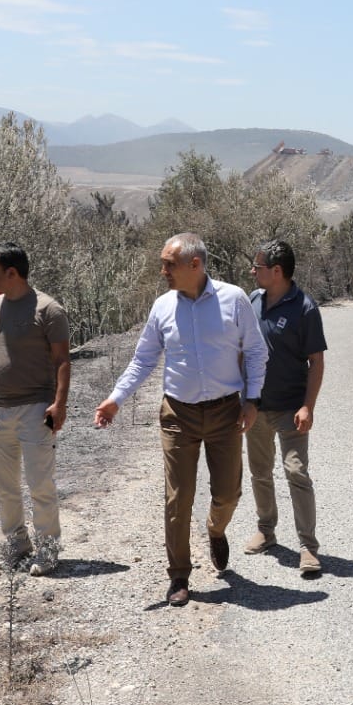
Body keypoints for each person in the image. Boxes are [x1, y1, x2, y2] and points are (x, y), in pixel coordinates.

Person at [93, 233, 267, 607]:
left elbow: (255, 351)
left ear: (195, 264)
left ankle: (215, 529)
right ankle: (179, 576)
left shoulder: (233, 299)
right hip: (178, 414)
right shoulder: (162, 307)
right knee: (178, 497)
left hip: (225, 412)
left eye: (169, 264)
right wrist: (115, 399)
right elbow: (143, 360)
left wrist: (252, 400)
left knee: (228, 493)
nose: (163, 271)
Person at [0, 242, 71, 576]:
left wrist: (60, 404)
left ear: (12, 272)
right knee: (5, 488)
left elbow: (63, 360)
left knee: (40, 485)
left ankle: (48, 551)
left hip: (37, 410)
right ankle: (18, 545)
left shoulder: (49, 309)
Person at [243, 240, 327, 576]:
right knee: (260, 472)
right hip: (256, 407)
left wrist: (308, 406)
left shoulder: (305, 308)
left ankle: (308, 546)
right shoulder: (252, 300)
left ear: (276, 272)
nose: (253, 271)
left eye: (258, 267)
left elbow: (317, 362)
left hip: (291, 408)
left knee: (296, 472)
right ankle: (266, 530)